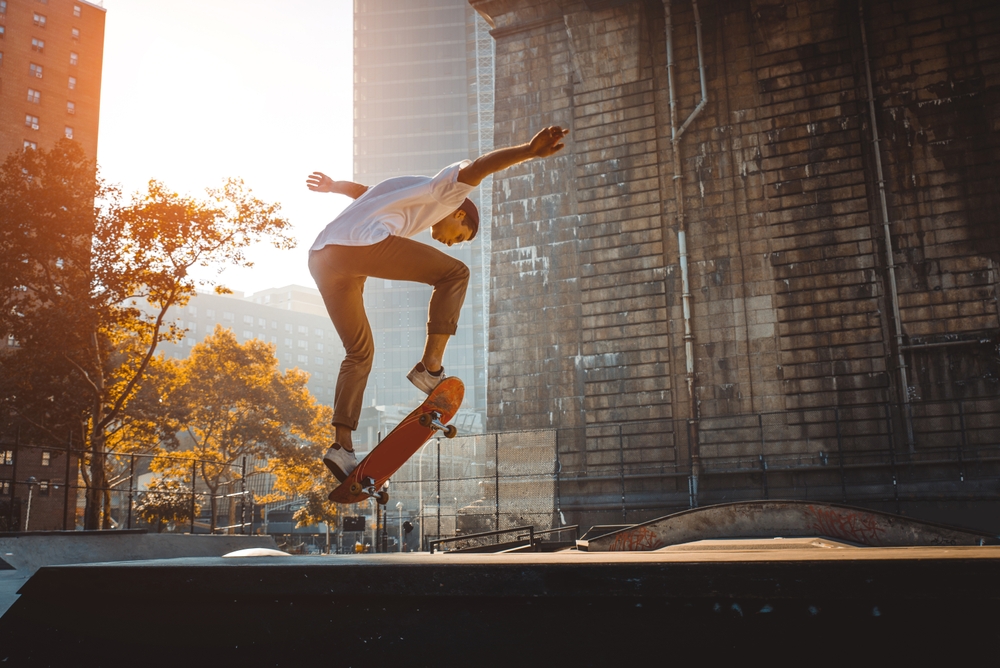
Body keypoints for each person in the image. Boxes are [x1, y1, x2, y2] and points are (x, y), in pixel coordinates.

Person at [307, 126, 569, 483]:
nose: (452, 242)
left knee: (358, 353)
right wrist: (529, 150)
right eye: (459, 236)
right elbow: (479, 167)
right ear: (460, 215)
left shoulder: (402, 191)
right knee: (455, 274)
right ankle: (430, 370)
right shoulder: (448, 193)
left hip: (323, 258)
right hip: (359, 247)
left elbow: (363, 193)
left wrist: (333, 185)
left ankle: (342, 446)